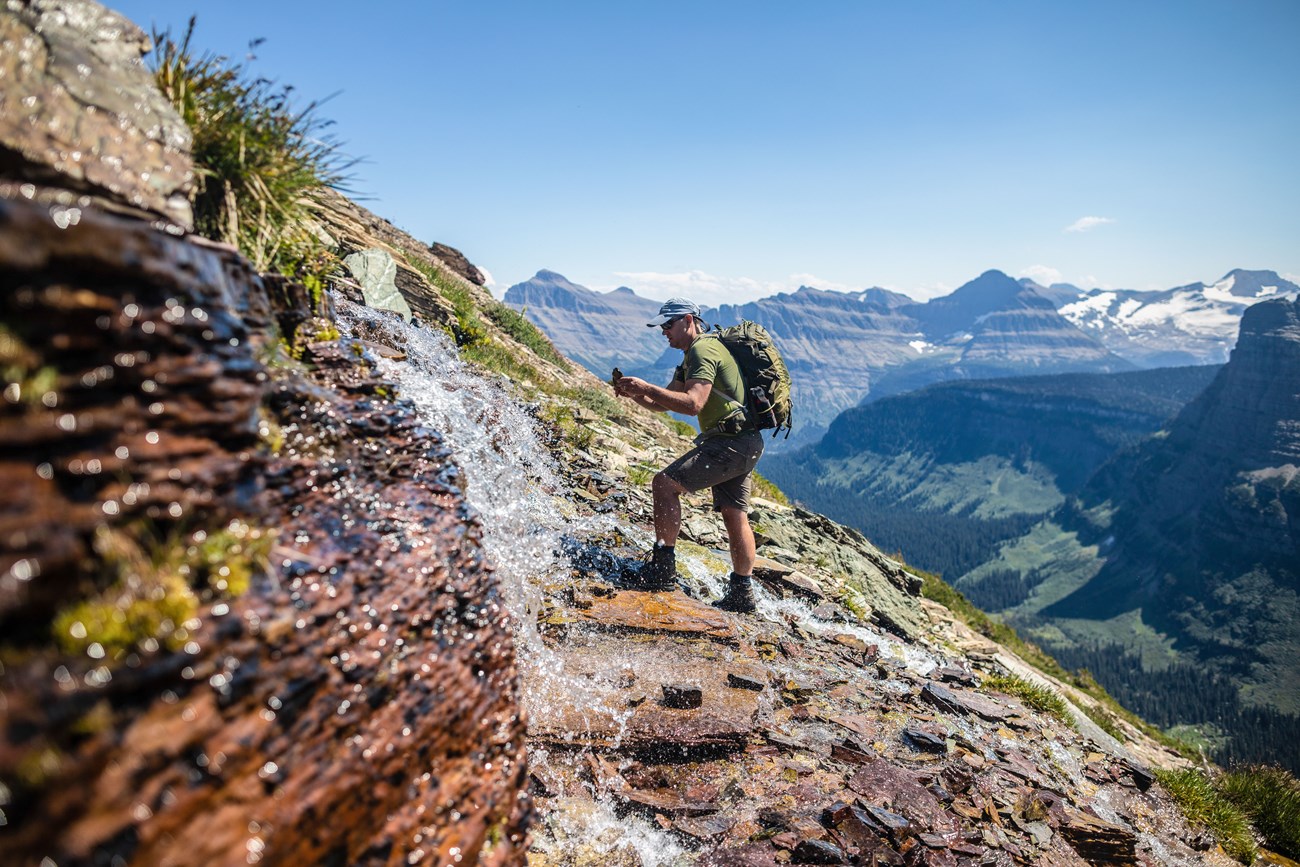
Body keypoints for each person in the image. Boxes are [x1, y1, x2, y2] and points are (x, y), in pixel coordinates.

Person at [613, 298, 764, 613]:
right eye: (661, 327)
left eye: (667, 325)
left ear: (687, 320)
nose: (663, 332)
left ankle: (663, 569)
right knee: (735, 514)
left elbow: (693, 403)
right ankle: (742, 593)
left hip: (729, 443)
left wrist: (646, 386)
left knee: (664, 485)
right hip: (744, 441)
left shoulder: (702, 350)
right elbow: (665, 403)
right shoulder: (691, 356)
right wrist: (637, 394)